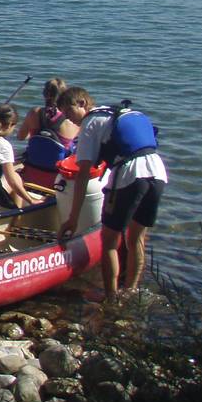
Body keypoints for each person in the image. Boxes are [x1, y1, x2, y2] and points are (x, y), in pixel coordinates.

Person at [57, 87, 168, 302]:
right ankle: (131, 291)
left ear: (82, 103)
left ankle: (110, 297)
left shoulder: (91, 122)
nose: (70, 121)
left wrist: (73, 218)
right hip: (157, 172)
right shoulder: (119, 113)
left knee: (109, 240)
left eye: (69, 113)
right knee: (136, 237)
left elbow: (83, 174)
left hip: (130, 174)